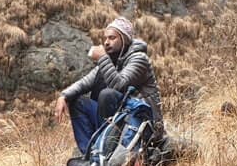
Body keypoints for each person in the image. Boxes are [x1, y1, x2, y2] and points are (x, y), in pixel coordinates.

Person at [53, 16, 166, 154]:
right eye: (106, 38)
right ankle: (90, 154)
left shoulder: (139, 59)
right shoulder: (112, 59)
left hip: (140, 123)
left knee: (107, 94)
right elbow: (85, 82)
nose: (106, 42)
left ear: (124, 39)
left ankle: (106, 151)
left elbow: (119, 85)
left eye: (112, 38)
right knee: (78, 102)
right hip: (118, 120)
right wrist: (63, 96)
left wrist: (102, 58)